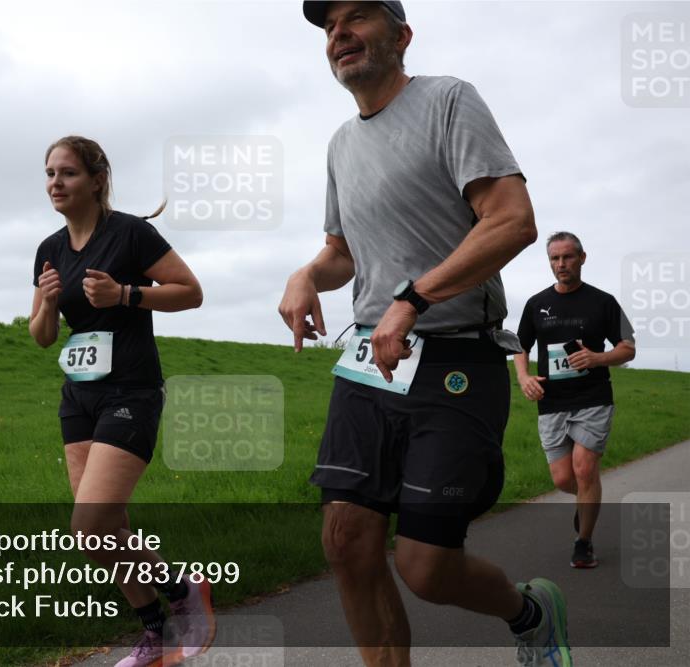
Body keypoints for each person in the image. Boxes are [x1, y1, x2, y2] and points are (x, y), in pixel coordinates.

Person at [279, 3, 570, 665]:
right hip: (368, 363)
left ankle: (530, 612)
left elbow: (512, 220)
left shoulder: (448, 100)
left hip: (456, 357)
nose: (339, 33)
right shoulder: (340, 144)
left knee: (426, 566)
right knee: (346, 542)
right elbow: (342, 252)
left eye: (357, 16)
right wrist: (306, 274)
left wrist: (413, 298)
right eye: (329, 26)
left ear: (402, 35)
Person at [30, 135, 212, 666]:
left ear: (96, 180)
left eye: (67, 173)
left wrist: (126, 294)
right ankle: (155, 632)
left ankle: (180, 588)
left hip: (131, 390)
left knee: (88, 524)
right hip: (78, 397)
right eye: (49, 173)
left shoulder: (130, 233)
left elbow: (191, 291)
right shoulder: (49, 250)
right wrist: (47, 303)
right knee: (102, 534)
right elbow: (42, 336)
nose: (55, 183)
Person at [515, 231, 636, 569]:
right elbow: (519, 347)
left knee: (584, 469)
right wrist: (524, 377)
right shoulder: (536, 304)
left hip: (593, 397)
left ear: (582, 258)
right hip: (552, 400)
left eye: (568, 257)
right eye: (554, 258)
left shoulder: (603, 301)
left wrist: (596, 358)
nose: (561, 264)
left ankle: (584, 542)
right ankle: (587, 501)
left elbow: (628, 347)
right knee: (563, 479)